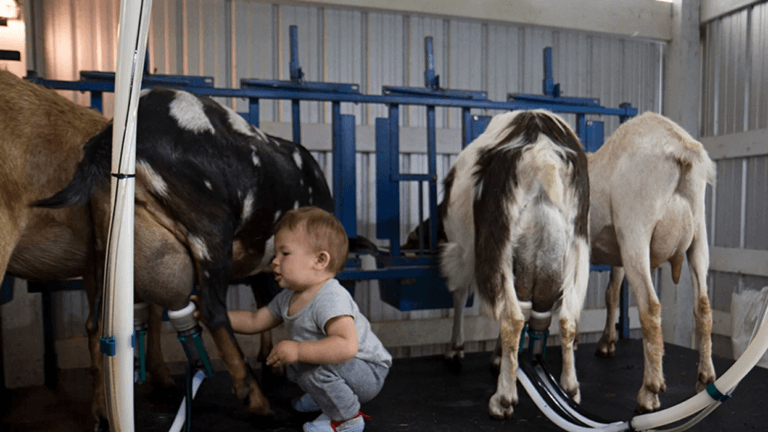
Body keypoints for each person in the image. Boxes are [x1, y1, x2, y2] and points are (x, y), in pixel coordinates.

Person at [227, 206, 392, 432]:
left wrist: (297, 350)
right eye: (275, 254)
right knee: (299, 364)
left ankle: (347, 420)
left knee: (306, 363)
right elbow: (256, 320)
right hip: (345, 368)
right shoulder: (288, 297)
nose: (274, 261)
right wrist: (217, 317)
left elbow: (347, 346)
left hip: (368, 371)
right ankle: (326, 397)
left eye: (284, 254)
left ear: (320, 260)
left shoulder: (330, 297)